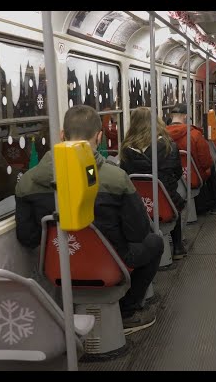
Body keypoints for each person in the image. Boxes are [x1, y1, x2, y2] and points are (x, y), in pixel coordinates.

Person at [15, 105, 163, 334]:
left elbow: (27, 238)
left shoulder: (26, 182)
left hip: (59, 268)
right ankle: (127, 311)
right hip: (110, 266)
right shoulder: (116, 178)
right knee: (155, 241)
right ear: (99, 136)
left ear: (62, 135)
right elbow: (138, 233)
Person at [119, 107, 187, 260]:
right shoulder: (169, 145)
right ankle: (177, 247)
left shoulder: (125, 149)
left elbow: (123, 175)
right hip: (164, 202)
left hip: (136, 204)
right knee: (174, 199)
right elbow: (177, 174)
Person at [166, 103, 216, 214]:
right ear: (185, 116)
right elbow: (206, 162)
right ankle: (215, 205)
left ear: (171, 117)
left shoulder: (161, 135)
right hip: (192, 176)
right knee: (211, 167)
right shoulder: (195, 135)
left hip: (171, 177)